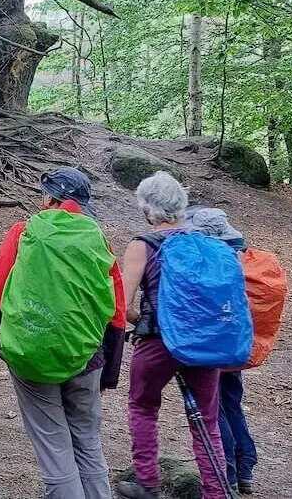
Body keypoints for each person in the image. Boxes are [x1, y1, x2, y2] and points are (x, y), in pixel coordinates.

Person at [0, 167, 125, 499]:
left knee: (54, 444)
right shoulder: (98, 239)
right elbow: (116, 310)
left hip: (32, 355)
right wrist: (110, 371)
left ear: (50, 198)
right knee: (87, 440)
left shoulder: (24, 231)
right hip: (87, 356)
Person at [117, 172, 228, 499]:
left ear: (149, 210)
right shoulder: (208, 244)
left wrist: (142, 318)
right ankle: (216, 493)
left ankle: (147, 483)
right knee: (207, 422)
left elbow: (122, 305)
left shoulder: (143, 245)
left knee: (143, 406)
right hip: (205, 343)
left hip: (158, 342)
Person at [184, 207, 258, 496]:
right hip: (234, 340)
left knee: (214, 411)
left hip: (211, 343)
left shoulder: (207, 258)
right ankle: (245, 468)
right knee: (231, 404)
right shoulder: (238, 256)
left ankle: (226, 472)